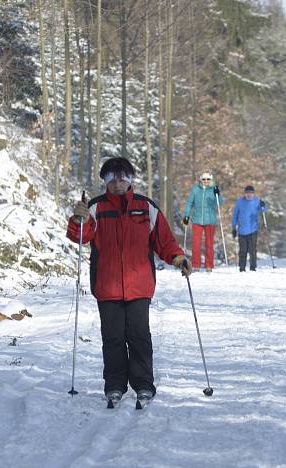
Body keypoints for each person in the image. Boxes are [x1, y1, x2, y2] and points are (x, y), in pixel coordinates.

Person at [67, 157, 191, 406]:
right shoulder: (96, 207)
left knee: (139, 336)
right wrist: (78, 219)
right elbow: (81, 236)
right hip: (107, 285)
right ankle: (114, 385)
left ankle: (143, 384)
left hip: (139, 285)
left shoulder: (146, 207)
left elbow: (163, 241)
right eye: (112, 179)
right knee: (112, 338)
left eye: (122, 178)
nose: (117, 184)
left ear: (130, 180)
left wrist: (177, 258)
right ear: (105, 181)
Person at [181, 172, 223, 272]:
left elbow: (219, 203)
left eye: (208, 179)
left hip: (210, 220)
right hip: (197, 220)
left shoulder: (214, 189)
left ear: (211, 180)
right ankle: (196, 265)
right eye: (204, 179)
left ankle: (209, 265)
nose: (206, 181)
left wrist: (218, 194)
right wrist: (186, 216)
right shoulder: (196, 190)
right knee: (196, 244)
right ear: (201, 180)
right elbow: (189, 203)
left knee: (209, 244)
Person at [231, 185, 266, 272]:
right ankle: (242, 268)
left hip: (253, 229)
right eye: (247, 193)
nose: (249, 195)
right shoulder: (239, 202)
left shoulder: (257, 201)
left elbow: (263, 210)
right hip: (242, 231)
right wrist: (234, 228)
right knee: (243, 250)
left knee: (252, 250)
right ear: (245, 194)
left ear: (253, 194)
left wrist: (263, 205)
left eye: (251, 193)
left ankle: (253, 267)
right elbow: (235, 215)